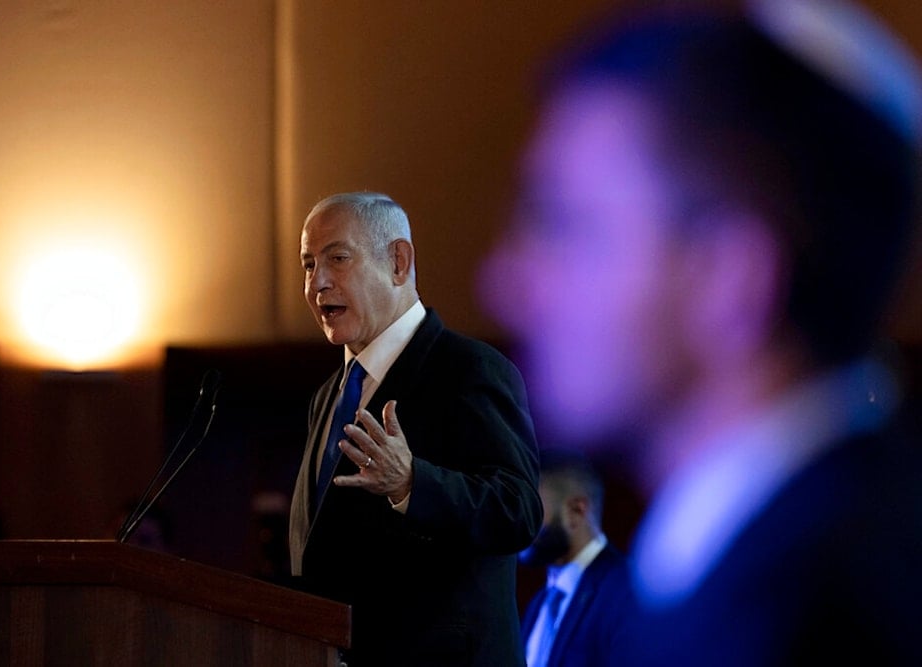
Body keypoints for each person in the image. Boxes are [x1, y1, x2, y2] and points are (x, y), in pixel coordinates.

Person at [481, 1, 922, 665]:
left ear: (732, 279)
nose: (506, 284)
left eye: (565, 224)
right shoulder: (828, 538)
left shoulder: (796, 623)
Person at [288, 191, 542, 666]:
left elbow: (518, 511)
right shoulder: (327, 396)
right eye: (307, 264)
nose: (317, 282)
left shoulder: (471, 370)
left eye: (337, 258)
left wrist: (412, 483)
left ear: (398, 261)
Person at [520, 452, 634, 667]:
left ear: (576, 511)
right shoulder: (538, 603)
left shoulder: (627, 590)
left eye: (532, 509)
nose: (519, 521)